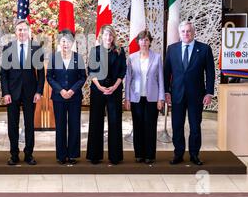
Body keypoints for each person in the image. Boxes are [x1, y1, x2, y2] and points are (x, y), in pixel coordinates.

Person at [164, 21, 215, 166]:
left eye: (188, 31)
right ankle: (178, 154)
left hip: (197, 95)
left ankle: (194, 155)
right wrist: (166, 91)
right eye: (183, 31)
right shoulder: (172, 49)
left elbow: (210, 73)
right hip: (177, 95)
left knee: (195, 126)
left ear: (193, 32)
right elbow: (166, 72)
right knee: (177, 126)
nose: (186, 34)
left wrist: (209, 93)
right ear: (179, 34)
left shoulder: (204, 49)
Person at [1, 18, 45, 166]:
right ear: (15, 32)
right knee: (12, 125)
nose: (22, 32)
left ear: (29, 31)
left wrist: (39, 91)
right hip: (12, 93)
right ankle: (14, 154)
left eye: (24, 29)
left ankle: (29, 154)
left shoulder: (36, 48)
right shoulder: (8, 48)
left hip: (30, 93)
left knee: (29, 124)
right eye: (19, 30)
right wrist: (5, 93)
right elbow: (4, 74)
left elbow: (41, 73)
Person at [86, 25, 127, 165]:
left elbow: (123, 71)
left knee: (115, 122)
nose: (108, 38)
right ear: (101, 36)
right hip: (98, 90)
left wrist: (114, 87)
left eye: (110, 35)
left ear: (113, 37)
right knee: (96, 121)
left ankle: (115, 156)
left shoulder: (120, 51)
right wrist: (100, 87)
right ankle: (94, 156)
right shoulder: (95, 51)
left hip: (114, 91)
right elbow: (91, 70)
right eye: (106, 35)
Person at [124, 30, 164, 164]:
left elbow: (161, 80)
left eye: (146, 40)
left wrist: (161, 98)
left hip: (152, 98)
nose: (144, 42)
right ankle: (139, 154)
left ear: (150, 42)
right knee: (138, 125)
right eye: (141, 40)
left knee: (150, 126)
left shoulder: (157, 57)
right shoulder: (132, 58)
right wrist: (127, 98)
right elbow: (128, 79)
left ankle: (150, 155)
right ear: (138, 42)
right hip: (136, 98)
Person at [47, 29, 86, 165]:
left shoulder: (78, 58)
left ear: (72, 43)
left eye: (68, 41)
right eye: (63, 41)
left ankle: (73, 154)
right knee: (61, 126)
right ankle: (61, 155)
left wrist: (72, 90)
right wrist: (61, 90)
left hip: (75, 98)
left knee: (74, 125)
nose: (65, 44)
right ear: (59, 42)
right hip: (59, 98)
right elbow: (49, 77)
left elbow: (82, 77)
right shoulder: (54, 57)